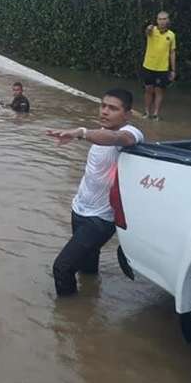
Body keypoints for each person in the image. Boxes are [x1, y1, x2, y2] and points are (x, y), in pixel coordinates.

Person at [46, 89, 143, 296]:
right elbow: (101, 140)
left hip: (101, 219)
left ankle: (68, 321)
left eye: (113, 108)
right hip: (79, 210)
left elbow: (116, 138)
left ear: (127, 114)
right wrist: (84, 135)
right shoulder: (98, 134)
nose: (105, 111)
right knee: (87, 269)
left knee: (62, 268)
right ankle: (90, 306)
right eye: (103, 105)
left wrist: (80, 132)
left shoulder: (132, 134)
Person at [140, 11, 176, 121]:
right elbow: (147, 32)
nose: (162, 21)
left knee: (159, 91)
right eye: (160, 19)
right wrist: (148, 29)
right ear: (157, 20)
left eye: (164, 19)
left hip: (162, 68)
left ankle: (156, 114)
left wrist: (173, 70)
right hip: (148, 66)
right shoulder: (152, 30)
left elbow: (172, 52)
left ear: (168, 20)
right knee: (148, 90)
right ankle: (146, 112)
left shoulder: (171, 35)